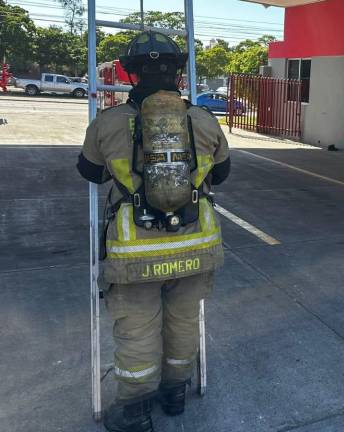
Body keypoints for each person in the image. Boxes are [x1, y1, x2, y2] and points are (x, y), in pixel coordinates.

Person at [76, 31, 231, 431]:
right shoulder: (203, 118)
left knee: (137, 329)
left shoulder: (108, 122)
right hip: (196, 247)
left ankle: (134, 412)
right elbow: (224, 174)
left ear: (130, 74)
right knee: (182, 322)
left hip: (135, 254)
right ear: (178, 74)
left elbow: (89, 172)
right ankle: (175, 393)